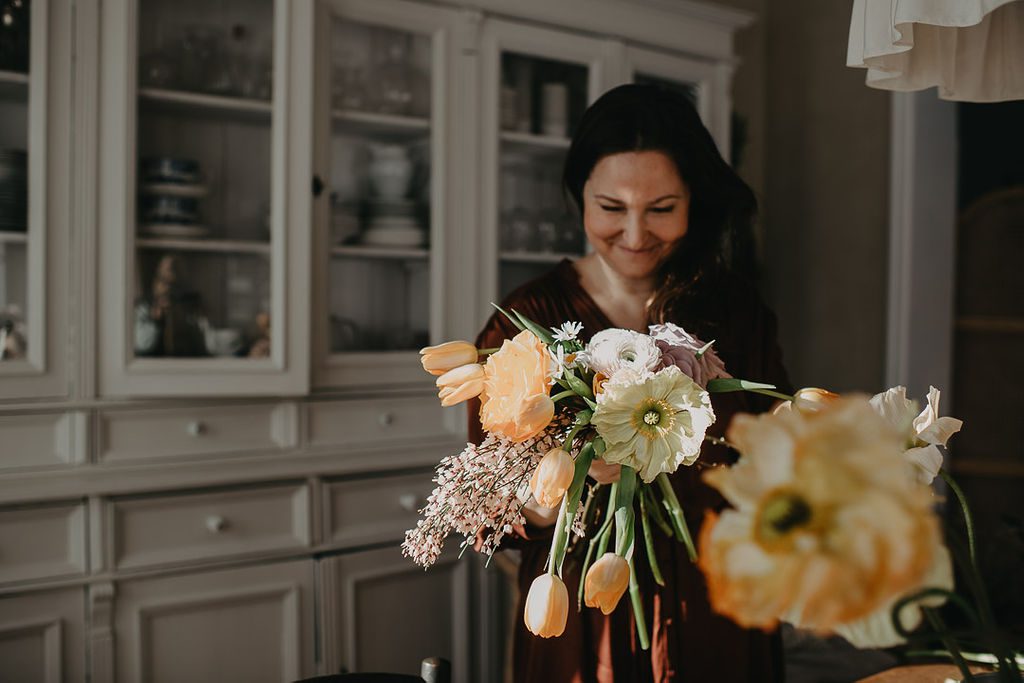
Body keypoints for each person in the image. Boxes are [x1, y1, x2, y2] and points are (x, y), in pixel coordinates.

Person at [468, 83, 794, 682]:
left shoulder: (734, 309)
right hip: (587, 610)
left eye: (662, 209)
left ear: (694, 200)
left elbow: (775, 443)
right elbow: (494, 502)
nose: (637, 234)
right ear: (579, 200)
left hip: (719, 599)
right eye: (612, 209)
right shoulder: (526, 321)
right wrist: (561, 485)